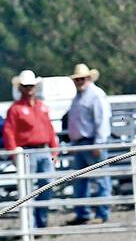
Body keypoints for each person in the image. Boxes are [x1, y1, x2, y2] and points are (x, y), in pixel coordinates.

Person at [2, 70, 59, 228]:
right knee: (28, 188)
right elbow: (9, 133)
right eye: (26, 86)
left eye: (31, 86)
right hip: (26, 152)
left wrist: (54, 151)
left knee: (47, 184)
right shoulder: (15, 109)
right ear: (21, 88)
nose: (29, 89)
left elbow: (50, 130)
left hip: (44, 150)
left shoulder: (41, 107)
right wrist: (14, 154)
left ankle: (41, 220)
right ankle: (31, 223)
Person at [65, 62, 112, 225]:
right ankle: (83, 213)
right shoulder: (79, 97)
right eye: (77, 79)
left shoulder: (96, 95)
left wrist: (99, 143)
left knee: (100, 179)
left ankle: (102, 213)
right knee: (80, 180)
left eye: (82, 79)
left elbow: (102, 120)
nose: (79, 81)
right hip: (80, 143)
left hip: (92, 142)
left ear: (88, 78)